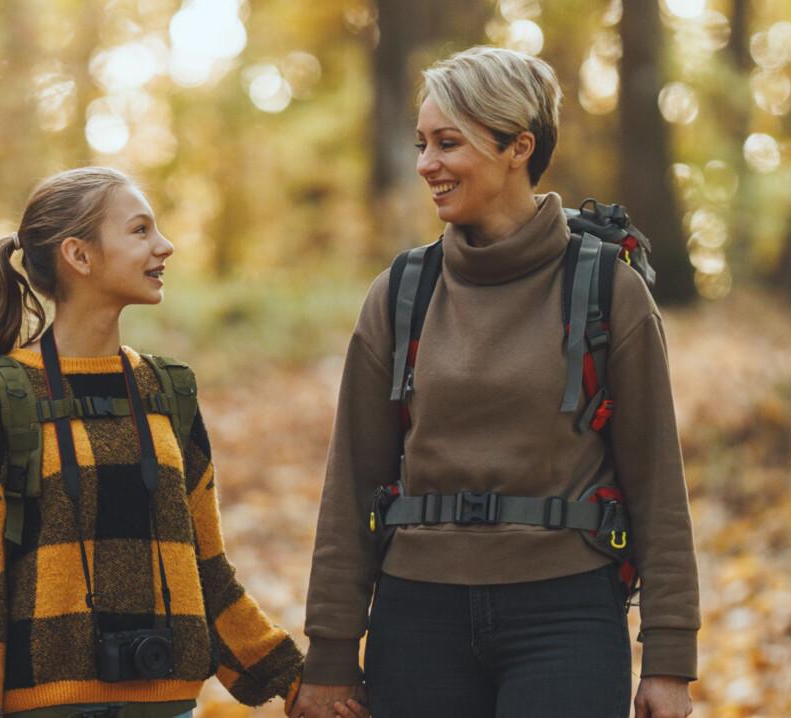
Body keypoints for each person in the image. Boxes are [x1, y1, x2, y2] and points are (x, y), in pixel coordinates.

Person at [290, 47, 701, 718]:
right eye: (422, 143)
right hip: (416, 618)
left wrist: (670, 655)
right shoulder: (400, 293)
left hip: (567, 618)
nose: (427, 164)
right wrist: (331, 652)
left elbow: (658, 482)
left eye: (448, 143)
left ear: (519, 146)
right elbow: (351, 486)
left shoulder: (607, 290)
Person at [0, 167, 329, 718]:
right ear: (80, 255)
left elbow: (207, 568)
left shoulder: (168, 391)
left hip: (167, 707)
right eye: (140, 230)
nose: (164, 246)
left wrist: (292, 680)